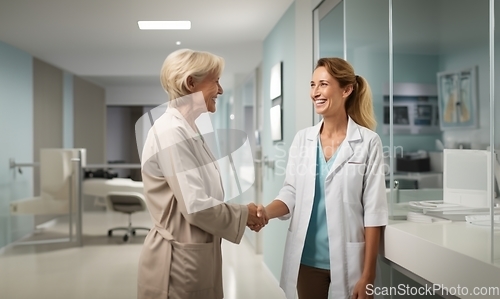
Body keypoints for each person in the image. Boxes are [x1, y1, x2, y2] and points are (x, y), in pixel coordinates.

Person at [137, 49, 266, 299]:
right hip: (177, 264)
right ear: (190, 83)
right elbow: (197, 206)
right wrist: (244, 214)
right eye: (216, 81)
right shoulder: (171, 132)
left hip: (195, 255)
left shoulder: (188, 129)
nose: (221, 90)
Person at [258, 57, 388, 299]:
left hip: (351, 262)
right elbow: (291, 192)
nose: (315, 92)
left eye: (323, 84)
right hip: (307, 261)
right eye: (312, 84)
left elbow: (374, 211)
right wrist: (265, 212)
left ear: (347, 90)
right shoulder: (302, 139)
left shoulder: (368, 142)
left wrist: (368, 275)